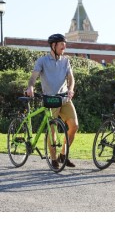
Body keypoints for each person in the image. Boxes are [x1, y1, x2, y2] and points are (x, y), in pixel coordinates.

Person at [26, 33, 78, 169]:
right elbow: (33, 77)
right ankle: (54, 158)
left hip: (64, 98)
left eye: (65, 44)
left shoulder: (66, 61)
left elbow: (71, 78)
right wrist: (30, 86)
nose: (64, 47)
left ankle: (63, 154)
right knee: (52, 129)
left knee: (74, 126)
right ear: (53, 45)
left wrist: (71, 89)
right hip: (50, 99)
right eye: (62, 44)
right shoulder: (42, 61)